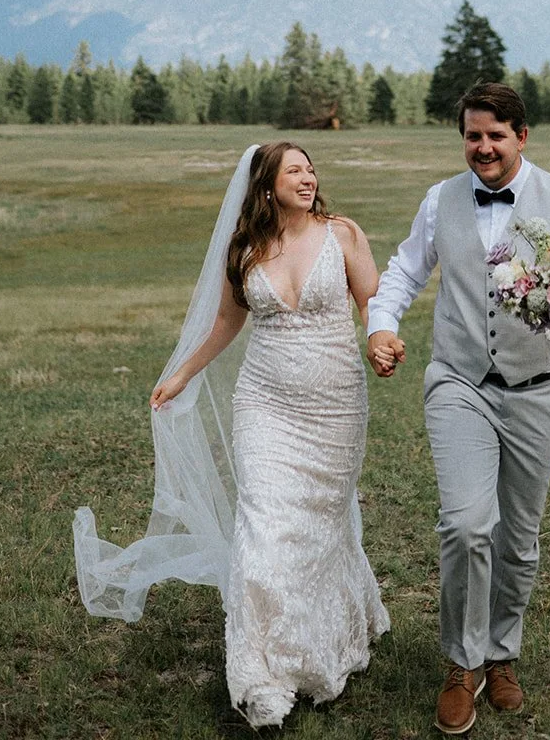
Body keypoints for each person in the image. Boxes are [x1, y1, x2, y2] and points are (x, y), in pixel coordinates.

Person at [74, 141, 389, 729]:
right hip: (264, 404)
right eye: (294, 171)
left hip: (335, 408)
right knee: (265, 524)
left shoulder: (343, 234)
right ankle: (261, 676)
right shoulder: (244, 248)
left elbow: (373, 301)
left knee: (319, 523)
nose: (308, 178)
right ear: (267, 186)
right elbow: (225, 322)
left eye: (310, 169)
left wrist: (379, 339)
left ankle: (333, 625)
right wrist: (182, 373)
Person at [367, 83, 550, 736]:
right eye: (472, 135)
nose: (483, 147)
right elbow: (404, 271)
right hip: (458, 383)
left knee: (517, 538)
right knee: (467, 525)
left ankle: (501, 654)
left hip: (539, 389)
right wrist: (381, 324)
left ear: (521, 136)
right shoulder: (439, 200)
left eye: (495, 135)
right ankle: (461, 664)